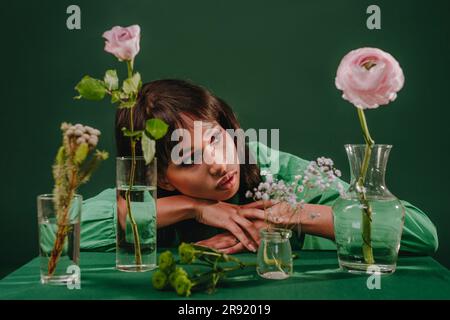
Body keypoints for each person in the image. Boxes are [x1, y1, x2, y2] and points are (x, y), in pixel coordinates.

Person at [80, 79, 438, 255]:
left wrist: (293, 214)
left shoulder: (277, 172)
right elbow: (60, 230)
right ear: (163, 179)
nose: (219, 165)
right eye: (188, 160)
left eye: (216, 140)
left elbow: (423, 234)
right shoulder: (148, 196)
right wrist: (197, 208)